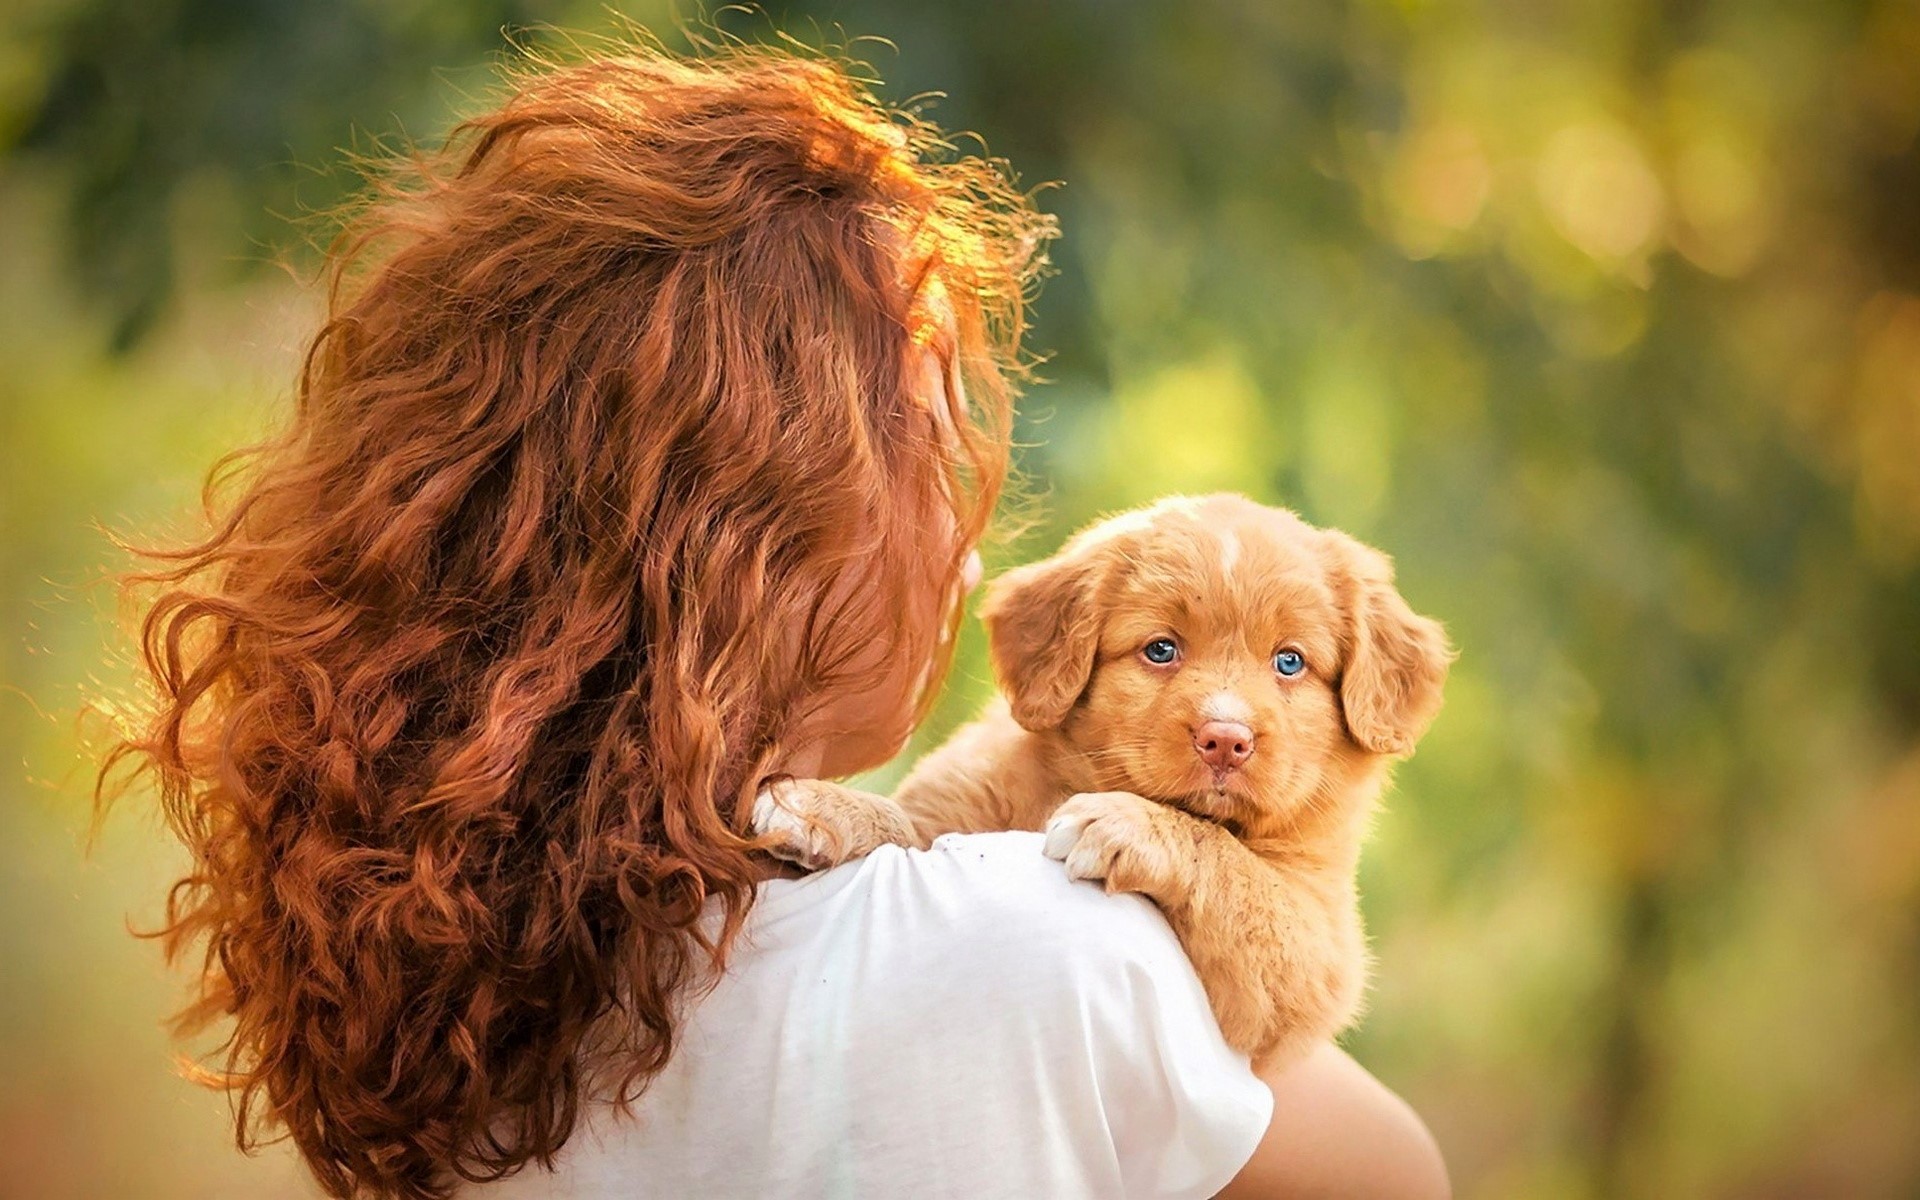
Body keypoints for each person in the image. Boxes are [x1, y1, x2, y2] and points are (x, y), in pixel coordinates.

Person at [106, 41, 1448, 1200]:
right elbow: (1403, 1178)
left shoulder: (458, 1012)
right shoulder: (1038, 944)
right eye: (931, 445)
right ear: (757, 539)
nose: (971, 535)